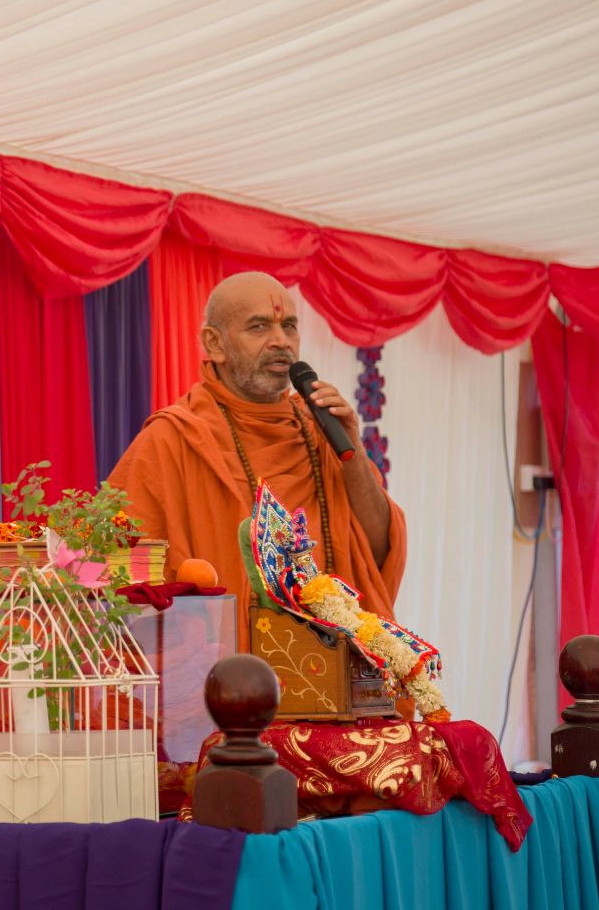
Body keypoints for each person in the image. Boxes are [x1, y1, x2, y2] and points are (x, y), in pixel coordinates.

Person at [108, 271, 406, 647]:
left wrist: (353, 453)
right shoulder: (172, 440)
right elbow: (126, 580)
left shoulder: (321, 431)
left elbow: (377, 557)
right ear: (214, 343)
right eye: (259, 327)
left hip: (334, 669)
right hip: (225, 682)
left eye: (289, 326)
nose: (281, 341)